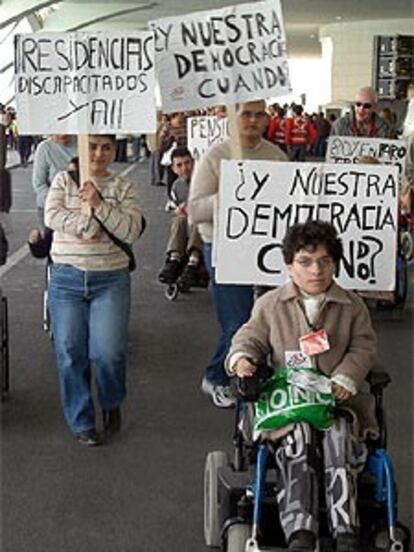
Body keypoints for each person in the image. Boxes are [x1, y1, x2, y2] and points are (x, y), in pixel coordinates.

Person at [226, 220, 378, 552]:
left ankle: (346, 529)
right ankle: (300, 530)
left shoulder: (351, 306)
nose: (316, 270)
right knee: (299, 438)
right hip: (288, 405)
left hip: (336, 401)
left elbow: (363, 347)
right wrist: (242, 361)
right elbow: (248, 338)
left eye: (325, 261)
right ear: (289, 265)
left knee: (338, 436)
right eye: (305, 262)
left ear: (335, 264)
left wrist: (346, 377)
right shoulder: (270, 304)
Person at [44, 135, 145, 446]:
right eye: (92, 146)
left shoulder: (123, 186)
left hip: (110, 278)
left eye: (106, 147)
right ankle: (82, 420)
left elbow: (130, 229)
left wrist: (99, 206)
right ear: (81, 149)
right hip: (66, 278)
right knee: (70, 352)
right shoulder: (64, 180)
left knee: (108, 353)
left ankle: (111, 400)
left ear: (114, 150)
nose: (99, 154)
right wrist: (83, 224)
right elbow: (52, 216)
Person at [188, 99, 288, 408]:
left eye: (259, 115)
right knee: (237, 321)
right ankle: (217, 377)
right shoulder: (215, 157)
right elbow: (194, 210)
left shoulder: (277, 157)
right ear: (234, 118)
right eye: (246, 114)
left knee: (274, 319)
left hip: (267, 250)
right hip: (223, 249)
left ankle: (254, 373)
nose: (252, 120)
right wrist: (232, 197)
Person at [158, 147, 203, 288]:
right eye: (179, 165)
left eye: (187, 163)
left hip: (203, 221)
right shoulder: (176, 186)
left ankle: (193, 262)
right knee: (178, 219)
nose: (184, 168)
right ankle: (175, 258)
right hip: (185, 222)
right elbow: (173, 205)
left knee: (198, 219)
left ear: (193, 163)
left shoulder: (203, 180)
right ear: (173, 168)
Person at [32, 135, 77, 224]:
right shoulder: (44, 148)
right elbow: (39, 184)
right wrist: (56, 203)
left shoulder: (82, 143)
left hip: (78, 206)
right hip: (51, 205)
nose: (61, 134)